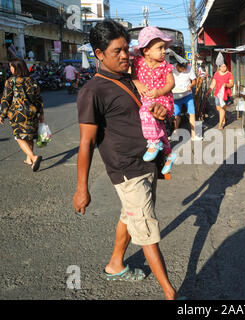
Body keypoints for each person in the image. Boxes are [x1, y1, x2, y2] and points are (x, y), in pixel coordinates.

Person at [73, 20, 181, 300]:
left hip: (147, 163)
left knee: (130, 217)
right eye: (116, 51)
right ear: (99, 54)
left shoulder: (131, 79)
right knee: (146, 230)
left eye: (126, 50)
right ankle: (171, 294)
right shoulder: (92, 92)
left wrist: (159, 111)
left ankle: (115, 263)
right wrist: (81, 189)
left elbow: (147, 113)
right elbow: (85, 143)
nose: (124, 56)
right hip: (126, 170)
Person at [132, 26, 177, 174]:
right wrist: (138, 84)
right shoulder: (138, 63)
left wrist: (159, 92)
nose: (164, 51)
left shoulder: (165, 66)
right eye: (160, 48)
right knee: (161, 130)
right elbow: (133, 77)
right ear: (146, 51)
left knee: (144, 112)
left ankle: (153, 142)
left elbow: (171, 83)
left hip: (163, 100)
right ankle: (169, 154)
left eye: (164, 48)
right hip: (147, 100)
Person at [0, 58, 44, 171]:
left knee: (19, 137)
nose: (10, 68)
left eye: (11, 66)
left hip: (17, 114)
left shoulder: (11, 81)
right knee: (29, 136)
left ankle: (34, 157)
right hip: (32, 113)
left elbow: (6, 99)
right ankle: (29, 159)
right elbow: (38, 99)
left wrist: (2, 114)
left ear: (16, 67)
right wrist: (41, 113)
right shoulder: (32, 80)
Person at [172, 62, 202, 140]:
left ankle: (193, 135)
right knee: (176, 115)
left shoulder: (189, 67)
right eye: (181, 70)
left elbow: (194, 81)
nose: (183, 71)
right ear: (177, 66)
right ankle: (175, 133)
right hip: (176, 95)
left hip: (187, 94)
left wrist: (191, 85)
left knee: (192, 113)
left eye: (184, 70)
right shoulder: (172, 68)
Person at [209, 54, 233, 130]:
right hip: (217, 94)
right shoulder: (216, 74)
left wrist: (226, 85)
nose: (223, 68)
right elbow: (213, 83)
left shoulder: (229, 74)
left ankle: (220, 125)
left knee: (222, 108)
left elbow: (231, 84)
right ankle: (223, 119)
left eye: (225, 66)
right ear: (219, 67)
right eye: (222, 66)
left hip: (225, 95)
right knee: (218, 108)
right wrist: (208, 91)